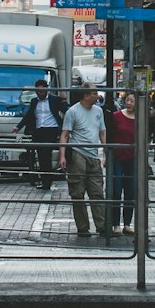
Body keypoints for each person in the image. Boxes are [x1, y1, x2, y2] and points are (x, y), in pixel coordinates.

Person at [58, 86, 107, 237]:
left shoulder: (98, 111)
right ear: (86, 96)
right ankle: (83, 227)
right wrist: (62, 156)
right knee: (78, 193)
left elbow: (102, 132)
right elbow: (65, 134)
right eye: (94, 93)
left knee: (97, 192)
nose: (97, 96)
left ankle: (102, 226)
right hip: (78, 154)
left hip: (93, 155)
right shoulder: (72, 111)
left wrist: (105, 152)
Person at [18, 78, 67, 190]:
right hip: (38, 131)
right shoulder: (34, 101)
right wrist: (18, 126)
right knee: (40, 156)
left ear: (46, 90)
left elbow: (65, 109)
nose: (39, 94)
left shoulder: (54, 100)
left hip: (51, 130)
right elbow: (29, 115)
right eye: (37, 91)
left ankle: (47, 181)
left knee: (47, 155)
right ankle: (44, 181)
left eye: (41, 91)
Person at [107, 90, 138, 236]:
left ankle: (127, 223)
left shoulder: (141, 119)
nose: (129, 103)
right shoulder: (116, 116)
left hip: (133, 159)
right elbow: (109, 136)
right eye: (128, 100)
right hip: (117, 157)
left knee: (131, 192)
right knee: (116, 191)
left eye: (132, 101)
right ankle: (115, 224)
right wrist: (106, 156)